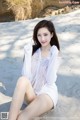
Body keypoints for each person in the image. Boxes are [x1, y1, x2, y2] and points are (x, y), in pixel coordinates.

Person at [8, 20, 61, 120]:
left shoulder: (55, 53)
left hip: (46, 95)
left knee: (21, 118)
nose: (42, 38)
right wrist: (28, 55)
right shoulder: (34, 51)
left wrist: (53, 56)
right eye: (39, 35)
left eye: (45, 34)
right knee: (22, 80)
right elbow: (26, 77)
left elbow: (50, 81)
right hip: (32, 94)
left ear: (52, 34)